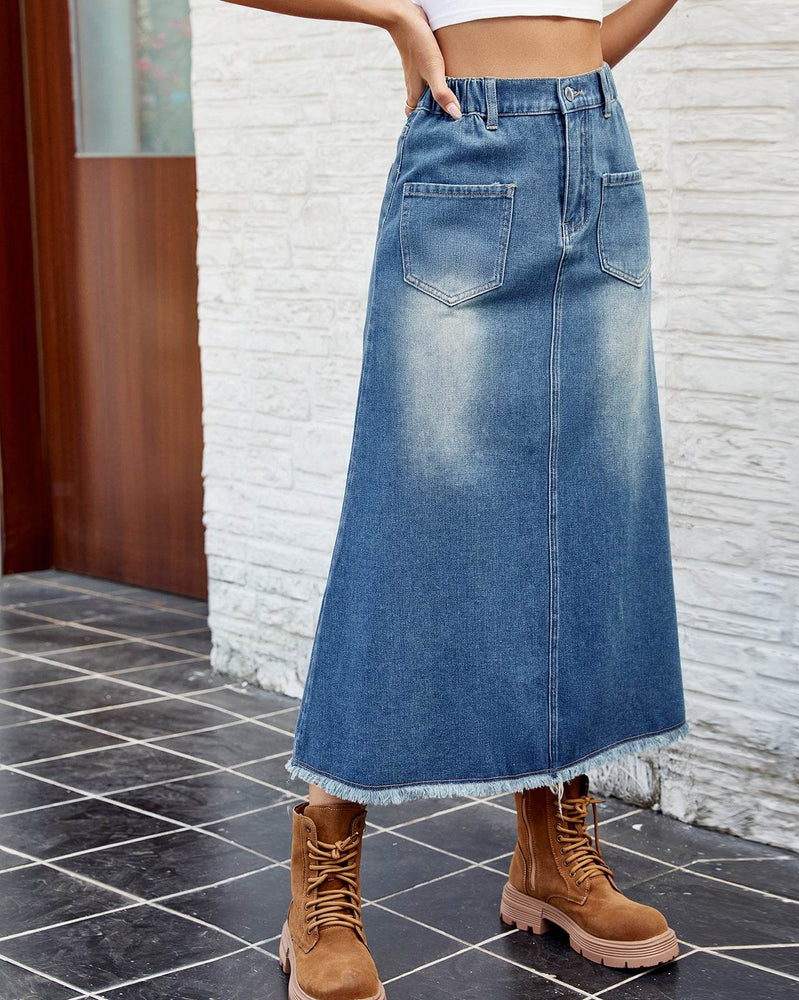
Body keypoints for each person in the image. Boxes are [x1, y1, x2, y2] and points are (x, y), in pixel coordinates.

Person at [220, 2, 686, 998]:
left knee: (586, 508)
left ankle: (551, 853)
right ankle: (323, 875)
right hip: (467, 157)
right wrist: (392, 15)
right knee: (413, 518)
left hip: (595, 151)